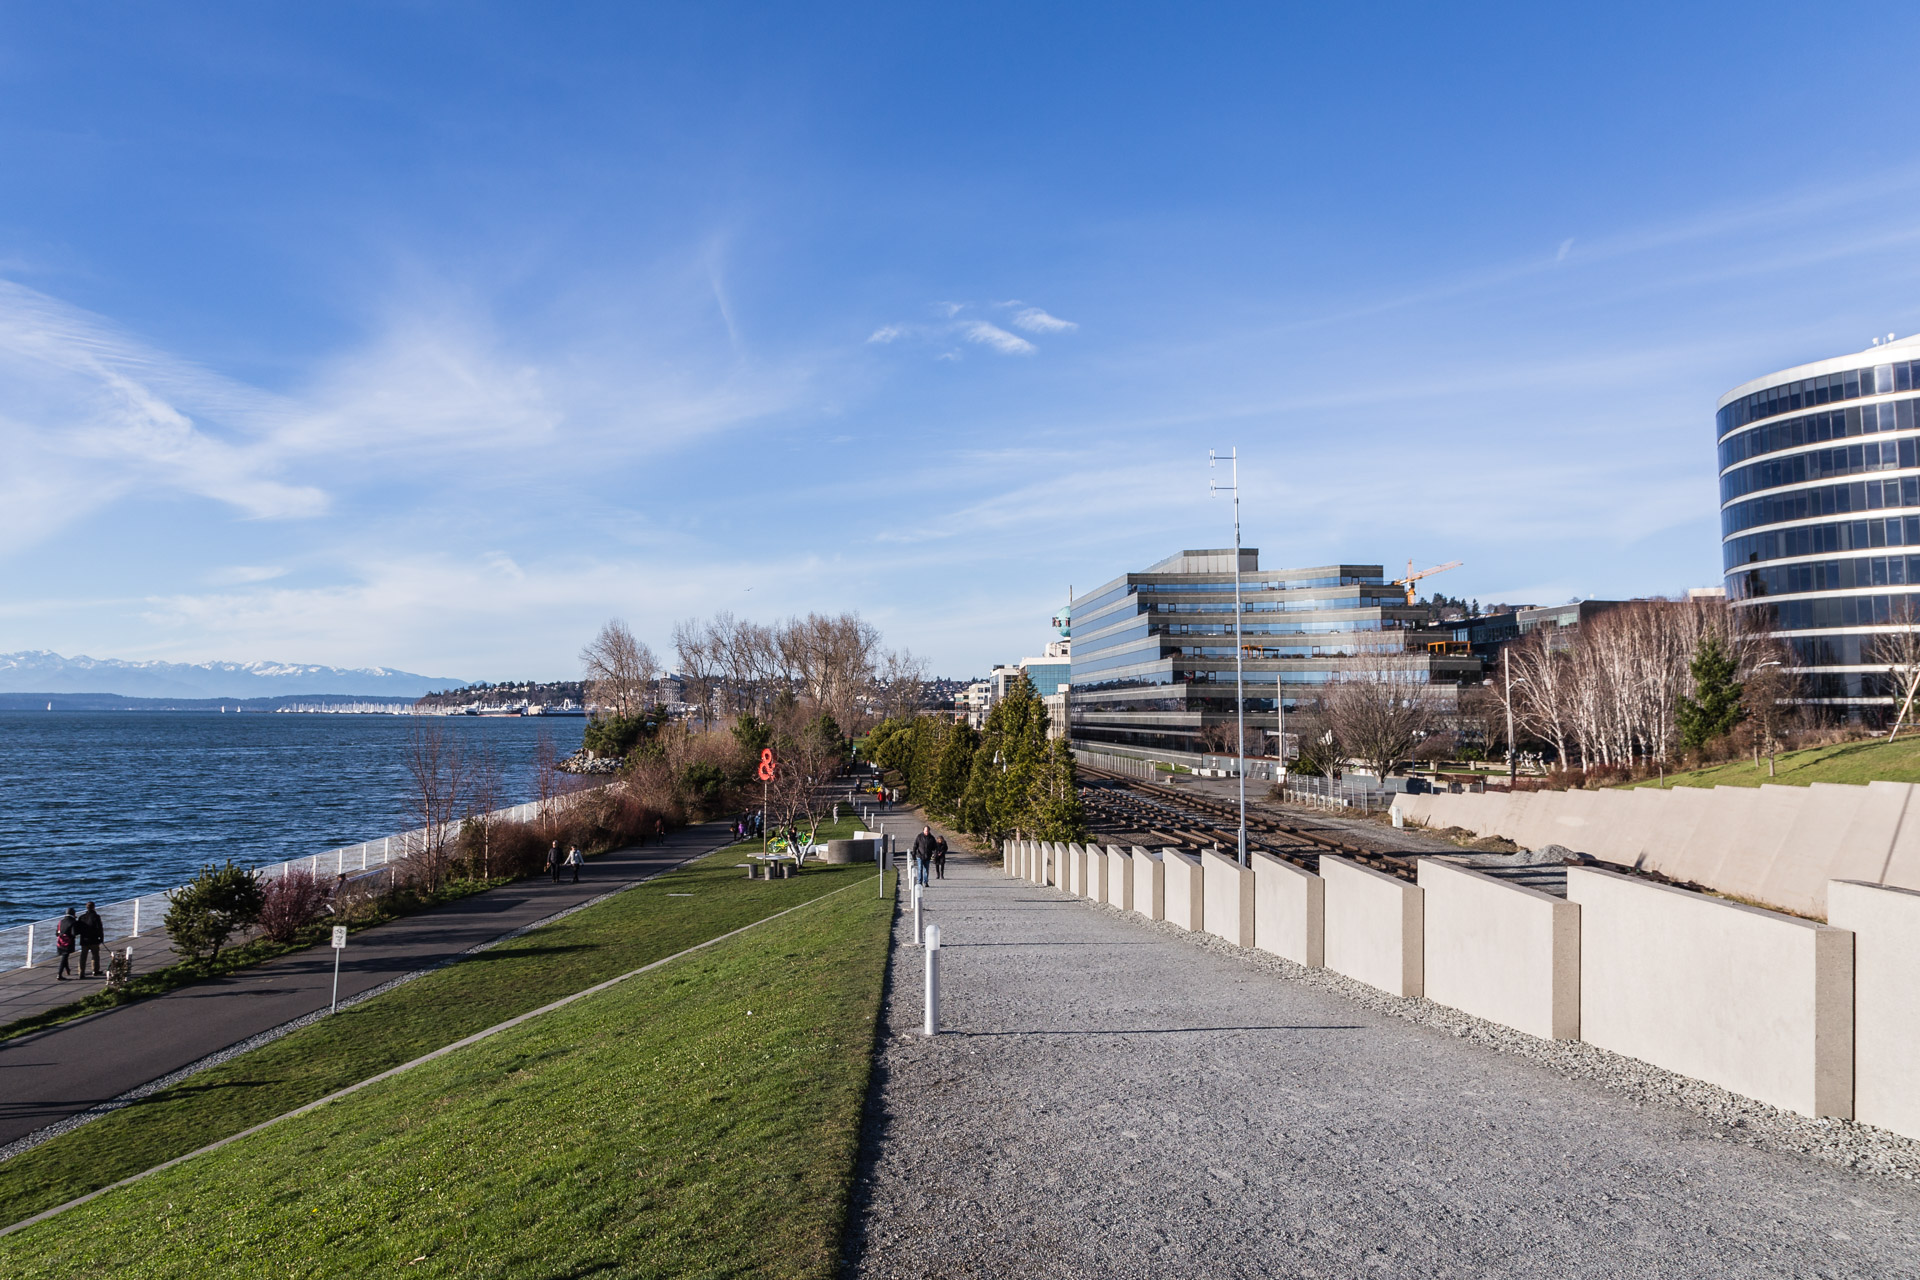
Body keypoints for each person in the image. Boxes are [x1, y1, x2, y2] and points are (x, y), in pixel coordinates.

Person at [77, 901, 104, 978]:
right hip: (94, 939)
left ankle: (81, 972)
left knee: (83, 957)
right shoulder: (96, 917)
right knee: (95, 955)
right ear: (93, 907)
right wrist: (101, 938)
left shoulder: (82, 917)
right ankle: (95, 970)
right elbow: (100, 929)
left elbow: (78, 929)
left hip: (84, 940)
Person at [54, 907, 77, 980]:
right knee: (64, 957)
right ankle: (59, 974)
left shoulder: (61, 921)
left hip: (60, 943)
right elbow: (74, 933)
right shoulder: (73, 922)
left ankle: (67, 970)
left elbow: (56, 933)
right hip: (68, 943)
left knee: (65, 956)